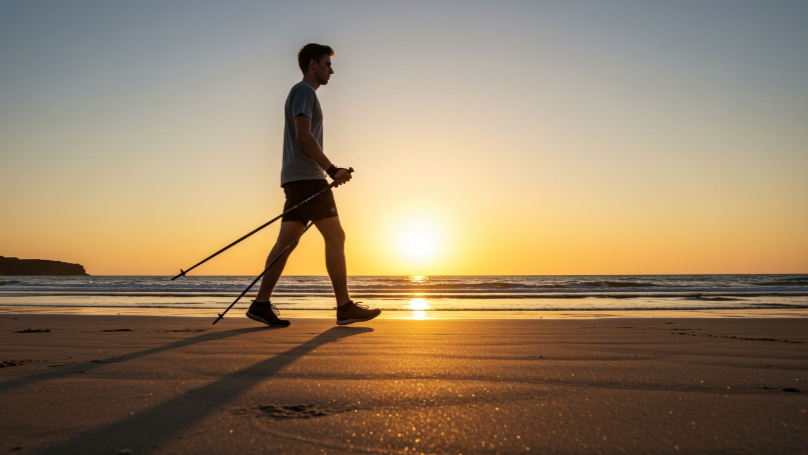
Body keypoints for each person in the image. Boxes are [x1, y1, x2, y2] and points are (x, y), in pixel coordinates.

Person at [246, 43, 381, 328]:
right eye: (327, 64)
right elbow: (303, 135)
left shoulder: (303, 93)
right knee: (336, 237)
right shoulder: (304, 91)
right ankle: (344, 307)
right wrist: (332, 170)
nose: (332, 70)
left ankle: (260, 304)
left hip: (296, 177)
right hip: (307, 177)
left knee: (286, 243)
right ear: (313, 64)